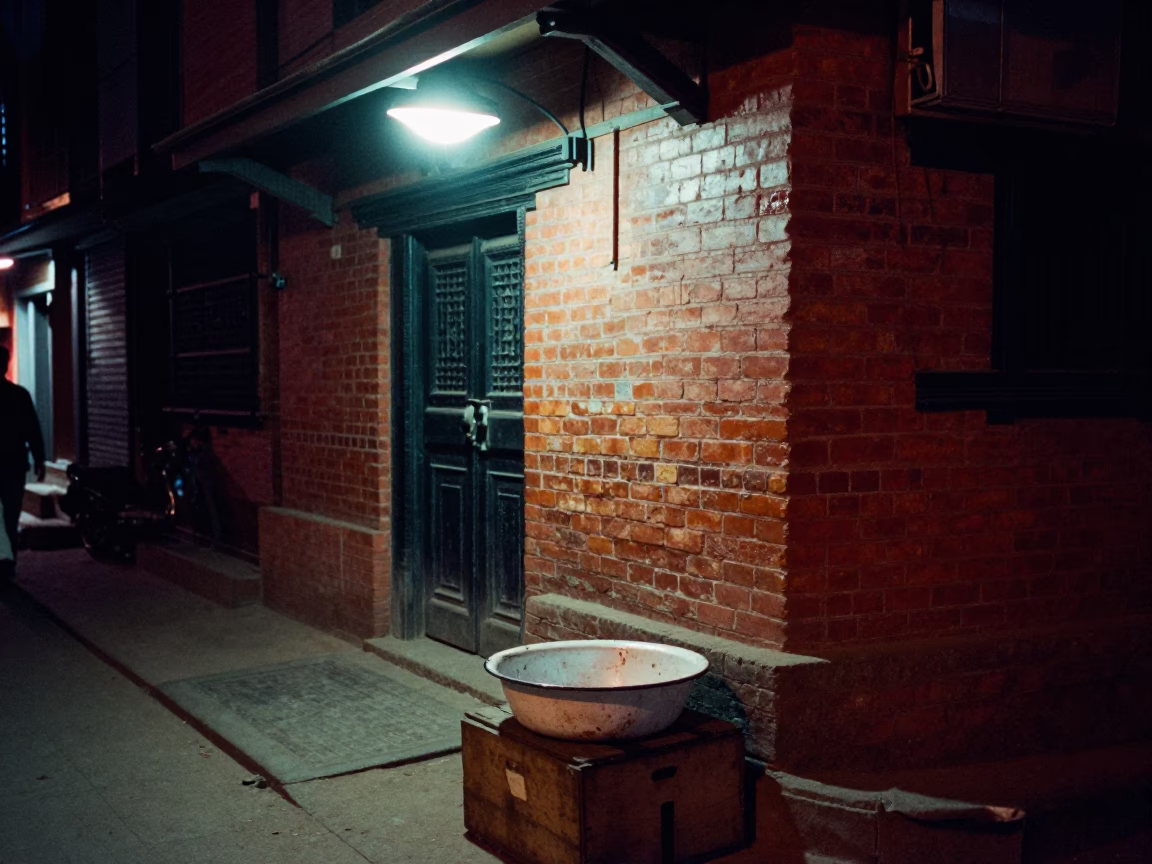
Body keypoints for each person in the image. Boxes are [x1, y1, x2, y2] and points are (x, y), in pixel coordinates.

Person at [0, 345, 45, 579]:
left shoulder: (20, 395)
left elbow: (32, 429)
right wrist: (39, 458)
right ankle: (9, 563)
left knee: (7, 515)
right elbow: (33, 429)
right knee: (11, 514)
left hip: (12, 464)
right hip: (14, 464)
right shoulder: (19, 395)